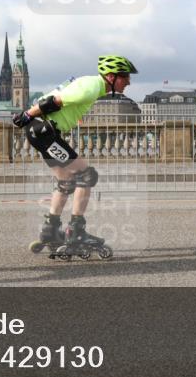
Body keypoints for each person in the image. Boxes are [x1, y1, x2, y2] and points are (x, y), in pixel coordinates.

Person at [12, 54, 138, 260]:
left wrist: (29, 117)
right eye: (125, 77)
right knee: (87, 176)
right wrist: (27, 114)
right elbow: (54, 101)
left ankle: (50, 229)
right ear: (111, 77)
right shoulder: (91, 87)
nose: (129, 82)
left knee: (67, 181)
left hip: (43, 132)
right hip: (45, 132)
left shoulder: (92, 85)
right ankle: (76, 232)